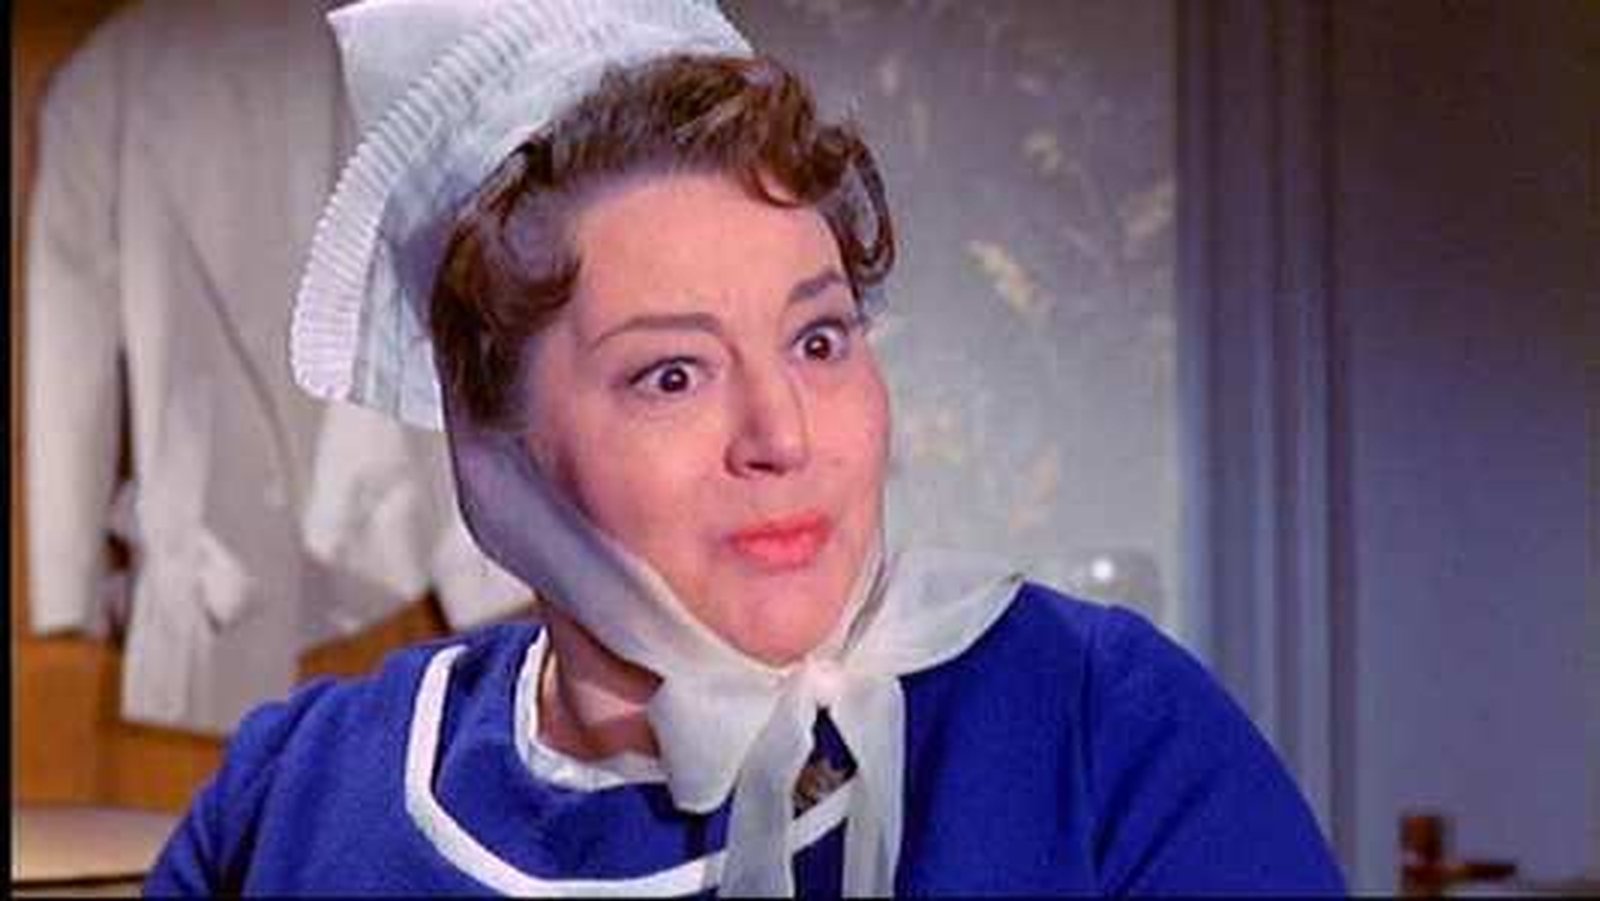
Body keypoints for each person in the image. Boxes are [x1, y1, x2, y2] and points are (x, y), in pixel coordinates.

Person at [147, 0, 1346, 895]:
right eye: (672, 374)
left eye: (819, 339)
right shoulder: (298, 796)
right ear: (496, 438)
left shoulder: (1094, 725)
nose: (783, 436)